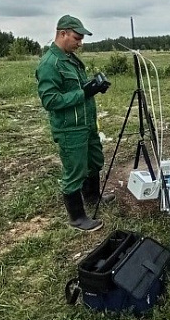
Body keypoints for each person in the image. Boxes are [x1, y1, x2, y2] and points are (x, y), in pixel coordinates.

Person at [35, 14, 114, 232]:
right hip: (70, 128)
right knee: (75, 171)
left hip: (87, 124)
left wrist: (94, 86)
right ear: (62, 33)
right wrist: (83, 93)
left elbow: (78, 88)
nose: (80, 43)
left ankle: (92, 197)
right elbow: (50, 100)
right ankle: (77, 218)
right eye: (77, 38)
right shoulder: (50, 64)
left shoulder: (71, 58)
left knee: (94, 160)